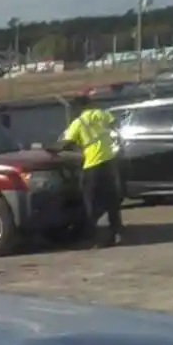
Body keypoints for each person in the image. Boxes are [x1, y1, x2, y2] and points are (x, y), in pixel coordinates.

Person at [59, 94, 124, 247]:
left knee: (91, 204)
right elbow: (115, 124)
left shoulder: (78, 123)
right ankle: (117, 234)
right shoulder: (102, 114)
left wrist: (49, 149)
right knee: (112, 201)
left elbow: (64, 143)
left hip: (92, 165)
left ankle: (94, 239)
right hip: (109, 163)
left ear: (78, 108)